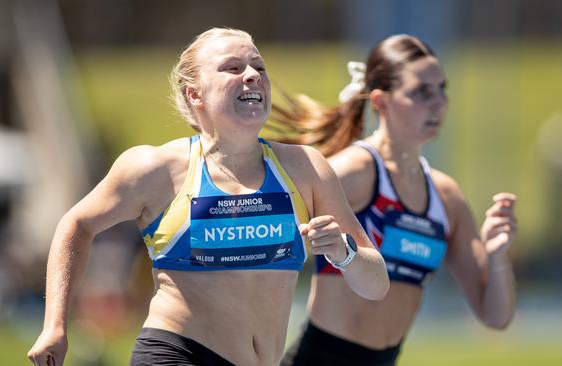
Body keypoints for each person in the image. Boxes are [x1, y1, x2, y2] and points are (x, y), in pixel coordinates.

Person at [26, 27, 389, 366]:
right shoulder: (156, 168)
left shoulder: (304, 167)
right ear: (194, 93)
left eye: (258, 66)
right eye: (232, 67)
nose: (252, 75)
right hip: (176, 354)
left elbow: (375, 284)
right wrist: (54, 325)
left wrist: (344, 252)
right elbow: (76, 224)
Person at [273, 34, 518, 366]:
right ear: (380, 102)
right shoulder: (354, 172)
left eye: (442, 89)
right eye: (421, 92)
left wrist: (497, 255)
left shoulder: (446, 197)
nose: (438, 104)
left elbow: (495, 316)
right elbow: (268, 235)